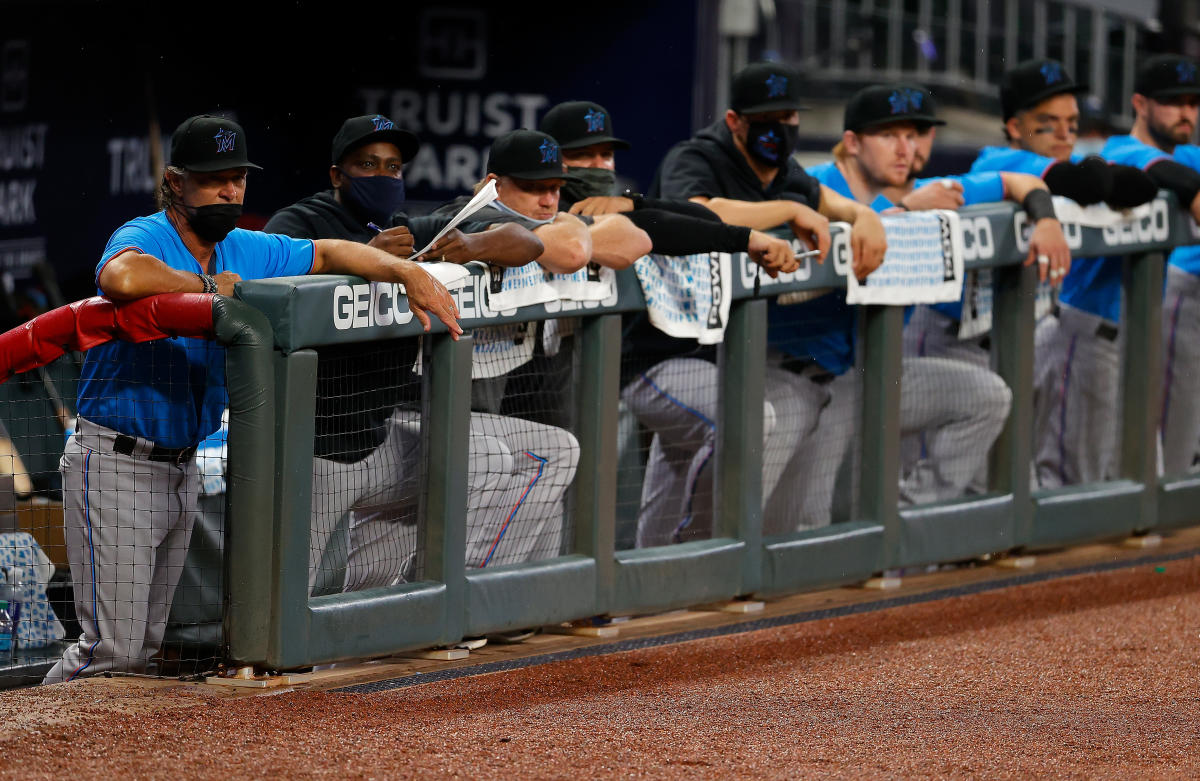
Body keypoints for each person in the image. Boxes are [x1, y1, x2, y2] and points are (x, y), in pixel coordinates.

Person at [44, 114, 462, 684]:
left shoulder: (246, 246)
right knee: (108, 653)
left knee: (140, 650)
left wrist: (402, 272)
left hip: (180, 465)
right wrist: (209, 289)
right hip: (116, 461)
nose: (229, 190)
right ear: (174, 182)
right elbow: (120, 277)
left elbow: (331, 253)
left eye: (237, 177)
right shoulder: (148, 233)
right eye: (214, 177)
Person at [263, 114, 548, 591]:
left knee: (485, 461)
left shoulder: (405, 227)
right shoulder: (302, 221)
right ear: (337, 174)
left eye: (393, 167)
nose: (383, 175)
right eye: (368, 164)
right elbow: (266, 294)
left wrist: (471, 244)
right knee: (282, 600)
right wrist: (366, 257)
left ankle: (420, 607)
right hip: (309, 447)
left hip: (376, 440)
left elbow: (528, 240)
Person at [539, 99, 802, 546]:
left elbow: (691, 219)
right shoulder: (533, 217)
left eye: (606, 155)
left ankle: (662, 571)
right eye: (583, 156)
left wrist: (631, 203)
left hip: (586, 379)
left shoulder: (614, 208)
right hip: (530, 387)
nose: (599, 165)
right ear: (553, 160)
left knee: (587, 493)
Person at [649, 60, 889, 535]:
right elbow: (697, 212)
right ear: (735, 122)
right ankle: (693, 566)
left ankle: (653, 586)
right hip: (659, 345)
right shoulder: (696, 157)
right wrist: (787, 210)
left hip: (712, 351)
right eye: (768, 120)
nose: (780, 130)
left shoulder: (785, 172)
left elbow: (836, 204)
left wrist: (867, 218)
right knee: (716, 442)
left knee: (673, 477)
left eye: (789, 118)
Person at [432, 128, 652, 566]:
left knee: (542, 461)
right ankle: (473, 597)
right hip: (421, 414)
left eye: (555, 189)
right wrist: (572, 223)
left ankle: (515, 601)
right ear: (493, 185)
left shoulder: (535, 222)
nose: (549, 201)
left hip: (486, 415)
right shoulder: (466, 221)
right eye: (534, 189)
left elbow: (635, 242)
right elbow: (571, 250)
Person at [976, 59, 1199, 486]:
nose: (1064, 135)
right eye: (1047, 123)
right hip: (972, 338)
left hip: (1041, 331)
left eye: (1072, 123)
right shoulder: (998, 161)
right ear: (1015, 125)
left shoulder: (1078, 160)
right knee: (1053, 477)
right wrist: (1100, 178)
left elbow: (1128, 185)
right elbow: (1090, 182)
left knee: (1107, 477)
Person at [1107, 54, 1200, 476]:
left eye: (1193, 102)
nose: (1186, 113)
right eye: (1172, 102)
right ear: (1140, 103)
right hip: (1105, 318)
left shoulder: (1186, 154)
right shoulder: (1120, 150)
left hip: (1142, 316)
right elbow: (1169, 174)